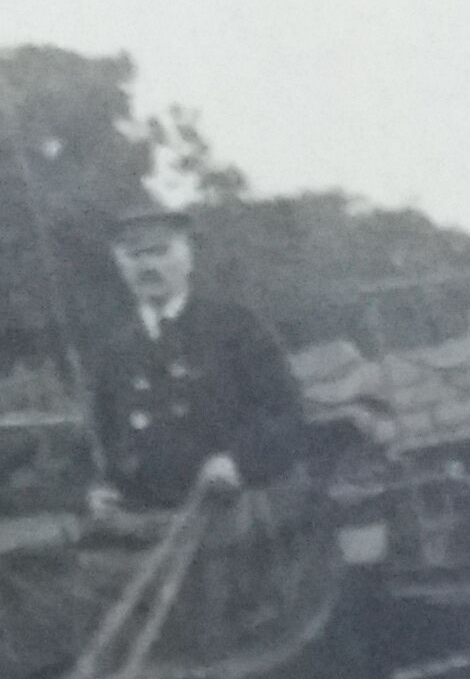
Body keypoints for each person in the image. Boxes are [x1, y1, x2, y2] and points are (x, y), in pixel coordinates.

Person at [84, 203, 311, 522]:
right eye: (134, 256)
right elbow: (104, 442)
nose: (147, 265)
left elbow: (287, 416)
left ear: (187, 257)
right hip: (149, 526)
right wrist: (101, 489)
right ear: (119, 264)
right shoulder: (113, 352)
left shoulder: (237, 328)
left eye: (159, 251)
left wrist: (238, 462)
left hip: (236, 518)